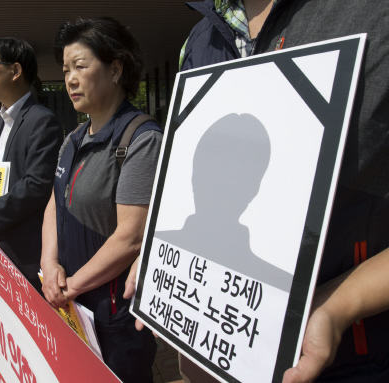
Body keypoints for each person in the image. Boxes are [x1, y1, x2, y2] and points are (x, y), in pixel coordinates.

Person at [124, 1, 389, 382]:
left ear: (256, 184)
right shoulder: (201, 38)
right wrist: (162, 252)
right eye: (206, 165)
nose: (216, 180)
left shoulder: (372, 12)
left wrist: (340, 303)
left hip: (349, 361)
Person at [41, 18, 162, 382]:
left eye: (80, 66)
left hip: (113, 313)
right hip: (72, 302)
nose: (70, 79)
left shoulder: (140, 138)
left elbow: (131, 236)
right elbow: (55, 200)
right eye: (65, 70)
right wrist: (50, 265)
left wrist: (70, 286)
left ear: (115, 69)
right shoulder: (74, 137)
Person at [0, 37, 62, 292]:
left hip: (24, 251)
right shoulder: (1, 120)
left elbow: (38, 185)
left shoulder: (42, 120)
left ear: (15, 71)